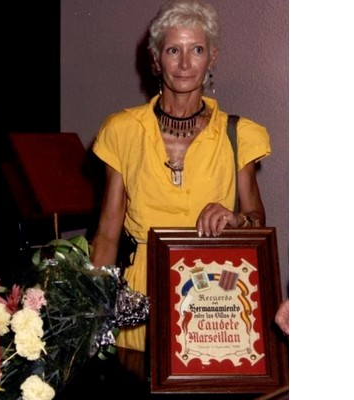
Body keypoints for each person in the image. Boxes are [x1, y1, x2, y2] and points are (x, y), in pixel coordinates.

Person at [90, 0, 271, 352]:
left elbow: (257, 221)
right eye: (174, 50)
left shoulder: (240, 134)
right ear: (156, 59)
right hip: (142, 295)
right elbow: (108, 235)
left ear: (212, 58)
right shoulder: (122, 130)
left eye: (197, 50)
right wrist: (91, 317)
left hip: (216, 300)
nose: (186, 63)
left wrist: (235, 219)